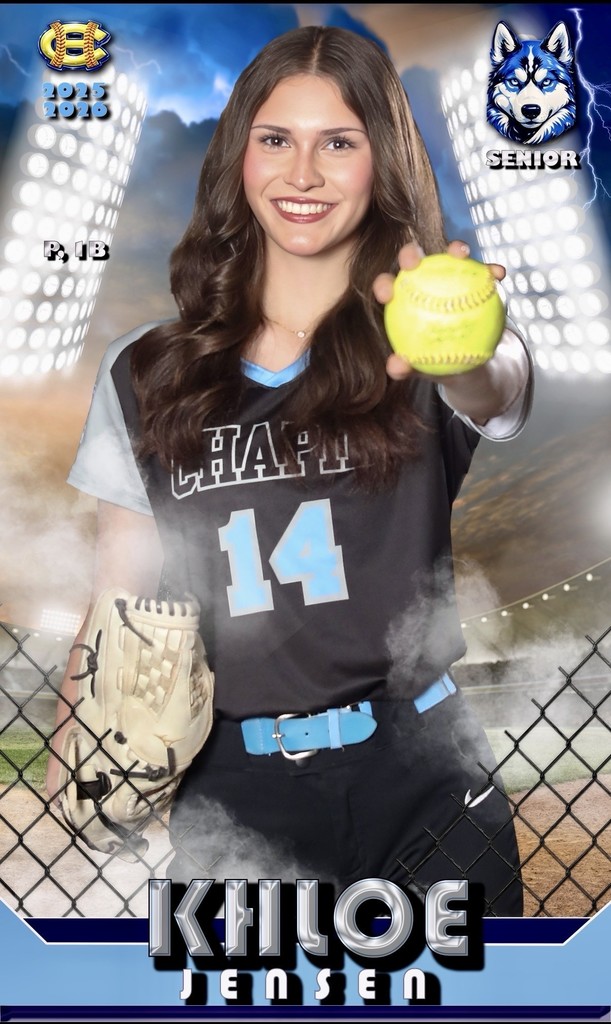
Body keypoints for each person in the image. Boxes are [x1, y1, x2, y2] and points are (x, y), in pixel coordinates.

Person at [47, 25, 532, 916]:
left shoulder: (436, 346)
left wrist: (457, 346)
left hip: (418, 775)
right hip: (233, 793)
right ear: (239, 155)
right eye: (276, 139)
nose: (301, 174)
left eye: (337, 143)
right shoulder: (144, 369)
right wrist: (82, 724)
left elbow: (492, 387)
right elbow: (120, 586)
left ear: (379, 163)